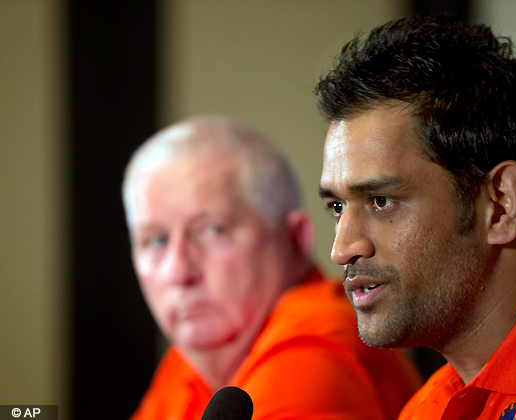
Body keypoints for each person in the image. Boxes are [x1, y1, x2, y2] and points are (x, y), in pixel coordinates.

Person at [315, 15, 516, 420]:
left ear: (501, 204)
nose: (341, 249)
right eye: (337, 207)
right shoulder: (429, 407)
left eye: (380, 201)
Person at [122, 115, 422, 420]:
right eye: (156, 240)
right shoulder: (191, 361)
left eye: (214, 231)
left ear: (295, 241)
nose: (178, 272)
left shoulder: (313, 347)